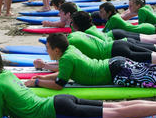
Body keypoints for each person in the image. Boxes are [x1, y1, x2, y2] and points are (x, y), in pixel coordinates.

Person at [0, 47, 156, 118]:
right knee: (118, 107)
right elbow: (1, 111)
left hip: (59, 111)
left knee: (118, 115)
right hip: (61, 102)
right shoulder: (9, 76)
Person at [24, 33, 156, 90]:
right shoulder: (70, 49)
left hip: (117, 71)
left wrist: (37, 82)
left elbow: (59, 85)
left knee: (152, 79)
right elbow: (65, 73)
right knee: (150, 70)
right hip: (114, 64)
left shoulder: (66, 59)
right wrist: (43, 76)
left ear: (57, 50)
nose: (47, 51)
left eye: (48, 48)